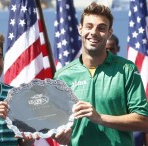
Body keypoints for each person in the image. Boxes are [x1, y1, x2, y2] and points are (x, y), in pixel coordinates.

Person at [54, 2, 148, 146]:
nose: (94, 32)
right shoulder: (62, 75)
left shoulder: (127, 69)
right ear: (80, 29)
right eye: (89, 26)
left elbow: (144, 121)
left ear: (109, 33)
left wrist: (100, 118)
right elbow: (55, 121)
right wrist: (58, 132)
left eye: (101, 28)